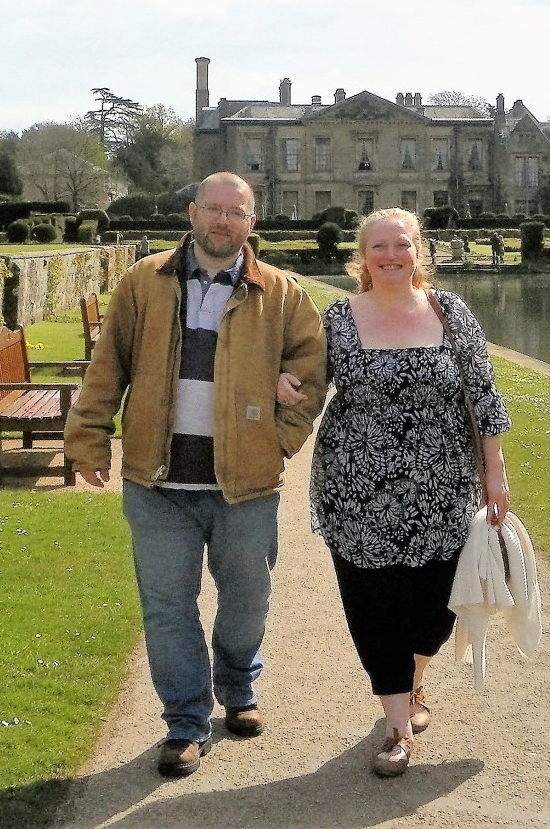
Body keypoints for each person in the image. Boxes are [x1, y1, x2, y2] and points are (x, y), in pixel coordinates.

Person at [64, 171, 327, 778]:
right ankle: (185, 719)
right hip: (159, 484)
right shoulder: (144, 283)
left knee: (248, 599)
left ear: (251, 222)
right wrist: (88, 439)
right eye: (213, 209)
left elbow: (311, 375)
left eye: (235, 212)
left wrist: (278, 442)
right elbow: (108, 368)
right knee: (167, 607)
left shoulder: (283, 295)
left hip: (245, 485)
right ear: (192, 212)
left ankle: (237, 685)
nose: (222, 221)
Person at [306, 207, 511, 777]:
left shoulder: (450, 313)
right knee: (373, 607)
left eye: (402, 245)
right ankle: (397, 726)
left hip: (443, 491)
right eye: (380, 247)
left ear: (418, 253)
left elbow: (484, 395)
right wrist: (283, 382)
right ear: (362, 256)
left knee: (432, 614)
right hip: (356, 492)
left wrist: (494, 472)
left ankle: (417, 678)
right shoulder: (340, 319)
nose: (391, 255)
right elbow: (308, 384)